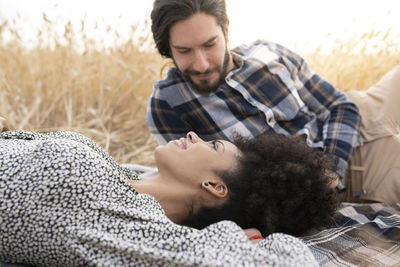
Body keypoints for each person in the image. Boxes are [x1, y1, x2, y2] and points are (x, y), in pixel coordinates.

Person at [146, 0, 400, 204]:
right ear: (168, 48)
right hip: (359, 174)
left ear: (225, 30)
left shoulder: (267, 52)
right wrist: (326, 182)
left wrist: (331, 168)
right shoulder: (167, 105)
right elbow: (198, 191)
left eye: (210, 44)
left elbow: (340, 107)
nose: (201, 64)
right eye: (184, 51)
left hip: (356, 118)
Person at [0, 127, 336, 266]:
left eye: (214, 146)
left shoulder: (138, 228)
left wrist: (244, 237)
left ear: (215, 187)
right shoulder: (128, 174)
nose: (194, 135)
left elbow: (290, 261)